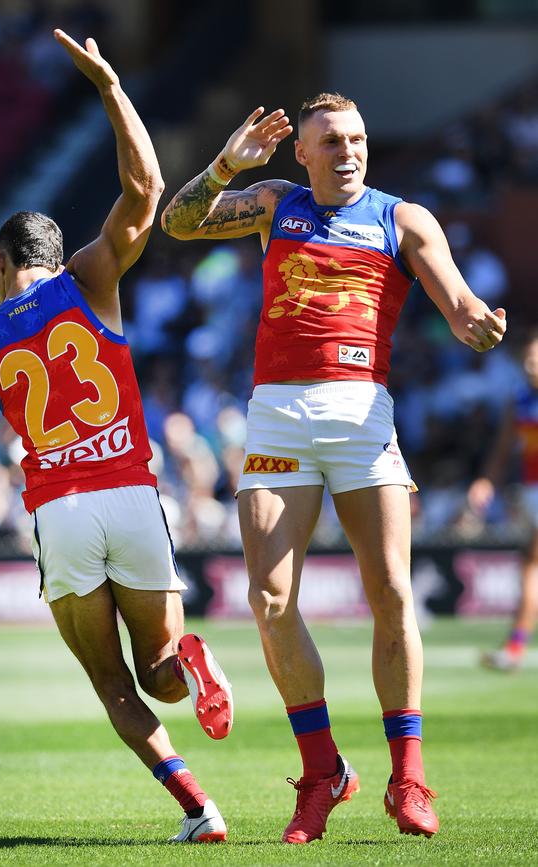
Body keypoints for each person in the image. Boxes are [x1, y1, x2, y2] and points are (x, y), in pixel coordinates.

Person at [0, 29, 232, 844]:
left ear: (2, 259)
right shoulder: (92, 278)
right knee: (160, 673)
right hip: (131, 493)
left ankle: (200, 810)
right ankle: (191, 660)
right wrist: (113, 87)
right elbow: (147, 189)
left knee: (113, 683)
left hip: (62, 511)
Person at [161, 93, 507, 843]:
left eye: (356, 138)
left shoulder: (403, 218)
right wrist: (225, 163)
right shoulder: (273, 204)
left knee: (390, 592)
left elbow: (457, 300)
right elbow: (176, 223)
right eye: (330, 140)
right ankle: (323, 772)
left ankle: (408, 776)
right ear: (303, 155)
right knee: (269, 597)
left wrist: (475, 322)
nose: (347, 150)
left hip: (360, 417)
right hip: (278, 414)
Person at [468, 330, 538, 671]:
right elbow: (503, 447)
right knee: (531, 565)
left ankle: (514, 647)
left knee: (532, 566)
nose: (531, 364)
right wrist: (486, 481)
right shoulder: (521, 399)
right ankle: (514, 646)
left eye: (536, 359)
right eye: (527, 358)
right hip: (532, 491)